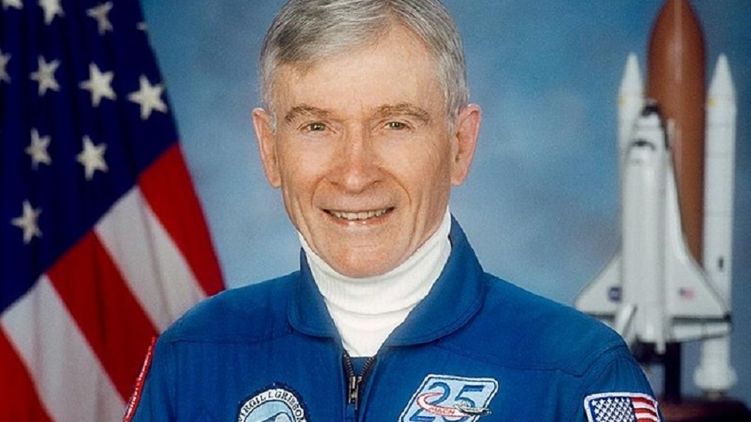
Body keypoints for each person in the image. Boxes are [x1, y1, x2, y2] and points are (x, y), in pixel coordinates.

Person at [127, 1, 660, 421]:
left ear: (460, 144)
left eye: (395, 124)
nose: (355, 174)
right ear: (270, 149)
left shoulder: (574, 375)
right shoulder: (193, 361)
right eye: (317, 126)